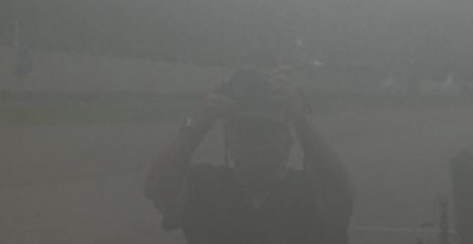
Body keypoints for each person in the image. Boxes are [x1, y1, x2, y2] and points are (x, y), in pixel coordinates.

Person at [144, 68, 354, 243]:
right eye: (247, 131)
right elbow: (159, 188)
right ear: (229, 142)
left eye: (268, 132)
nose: (258, 142)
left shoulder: (310, 192)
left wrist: (302, 123)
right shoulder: (203, 186)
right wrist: (200, 121)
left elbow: (339, 191)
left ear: (289, 143)